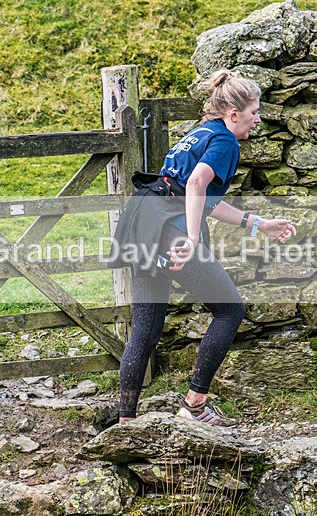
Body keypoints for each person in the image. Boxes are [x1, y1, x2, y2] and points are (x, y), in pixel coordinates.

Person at [110, 70, 296, 427]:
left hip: (143, 220)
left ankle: (127, 422)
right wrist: (193, 238)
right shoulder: (226, 141)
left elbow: (201, 196)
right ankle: (195, 405)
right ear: (234, 113)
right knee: (230, 310)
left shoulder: (201, 132)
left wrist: (259, 224)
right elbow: (196, 185)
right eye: (254, 112)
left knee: (146, 330)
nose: (258, 119)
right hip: (170, 228)